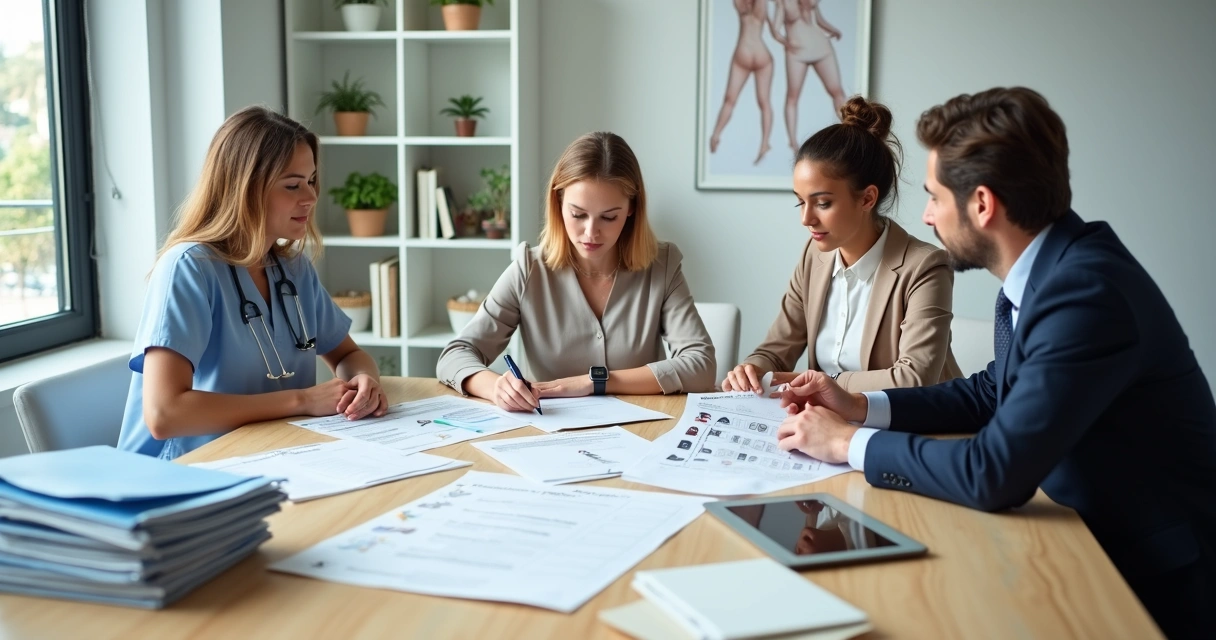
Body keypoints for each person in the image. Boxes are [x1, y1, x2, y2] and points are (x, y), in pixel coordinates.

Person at [774, 87, 1216, 637]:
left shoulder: (1086, 293)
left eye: (934, 197)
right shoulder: (1057, 268)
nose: (928, 217)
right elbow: (990, 392)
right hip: (1074, 534)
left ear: (981, 205)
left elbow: (995, 474)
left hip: (1146, 578)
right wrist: (860, 405)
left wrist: (845, 443)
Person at [117, 106, 388, 460]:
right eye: (292, 185)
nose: (310, 197)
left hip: (274, 455)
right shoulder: (189, 269)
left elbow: (349, 354)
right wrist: (302, 400)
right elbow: (165, 415)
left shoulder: (293, 269)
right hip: (185, 473)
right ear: (244, 188)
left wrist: (363, 382)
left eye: (311, 181)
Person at [437, 132, 716, 411]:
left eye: (609, 217)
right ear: (558, 201)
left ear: (632, 208)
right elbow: (455, 355)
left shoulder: (662, 265)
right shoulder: (529, 269)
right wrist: (496, 388)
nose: (591, 232)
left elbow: (701, 365)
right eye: (578, 214)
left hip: (642, 433)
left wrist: (596, 382)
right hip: (549, 433)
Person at [723, 96, 961, 394]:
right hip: (829, 424)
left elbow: (913, 378)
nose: (806, 219)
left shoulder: (925, 267)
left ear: (867, 198)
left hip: (918, 429)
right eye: (800, 202)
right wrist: (752, 369)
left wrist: (825, 383)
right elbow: (776, 350)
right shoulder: (815, 256)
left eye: (822, 203)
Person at [708, 0, 786, 164]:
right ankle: (763, 143)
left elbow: (775, 31)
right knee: (762, 102)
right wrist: (778, 7)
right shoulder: (759, 6)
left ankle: (717, 135)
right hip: (758, 54)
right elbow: (775, 32)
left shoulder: (744, 6)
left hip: (745, 54)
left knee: (733, 100)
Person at [773, 0, 847, 151]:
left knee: (837, 91)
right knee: (792, 96)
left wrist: (833, 30)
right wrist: (787, 43)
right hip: (797, 51)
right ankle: (793, 141)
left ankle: (850, 129)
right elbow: (775, 29)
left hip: (820, 46)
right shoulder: (784, 3)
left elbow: (819, 20)